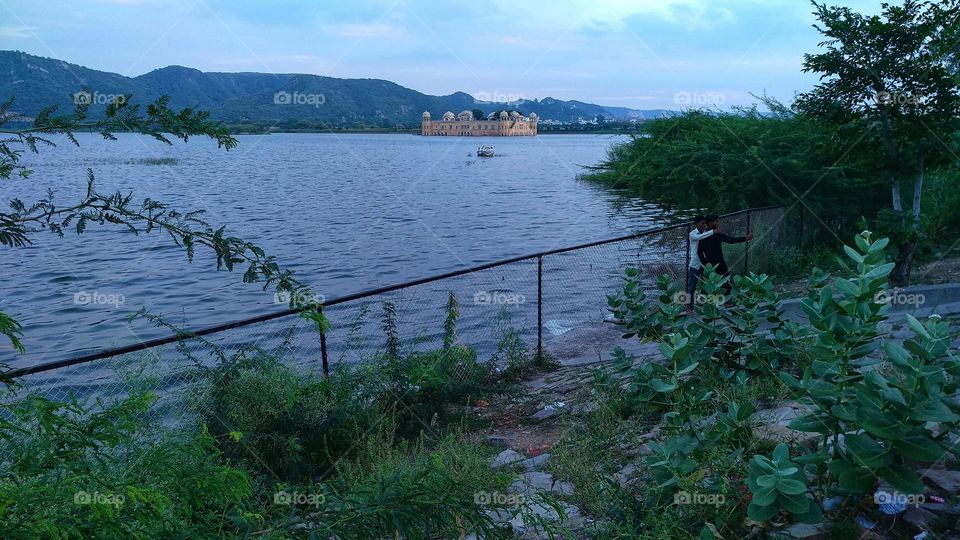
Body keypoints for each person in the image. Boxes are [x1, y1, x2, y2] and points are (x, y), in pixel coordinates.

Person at [697, 214, 754, 294]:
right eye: (716, 222)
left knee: (708, 284)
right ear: (711, 223)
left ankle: (707, 299)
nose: (718, 223)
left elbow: (699, 251)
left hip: (708, 264)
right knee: (726, 281)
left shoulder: (702, 235)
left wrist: (705, 263)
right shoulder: (716, 234)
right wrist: (746, 238)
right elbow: (731, 240)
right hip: (719, 263)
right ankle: (727, 299)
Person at [686, 215, 716, 312]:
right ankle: (689, 307)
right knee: (692, 286)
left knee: (706, 285)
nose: (704, 225)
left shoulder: (706, 232)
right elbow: (699, 237)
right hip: (695, 264)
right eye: (702, 223)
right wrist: (712, 232)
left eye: (705, 223)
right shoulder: (692, 234)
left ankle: (703, 305)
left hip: (704, 263)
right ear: (696, 224)